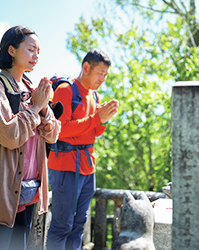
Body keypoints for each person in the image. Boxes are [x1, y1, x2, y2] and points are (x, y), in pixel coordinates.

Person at [0, 26, 61, 250]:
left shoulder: (31, 88)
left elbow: (53, 135)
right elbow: (9, 135)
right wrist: (37, 106)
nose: (36, 55)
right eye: (30, 49)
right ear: (11, 50)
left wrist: (45, 111)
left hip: (27, 196)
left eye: (39, 50)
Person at [47, 48, 119, 250]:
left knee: (79, 225)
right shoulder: (66, 90)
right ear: (86, 67)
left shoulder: (94, 96)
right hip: (65, 167)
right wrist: (97, 118)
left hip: (87, 167)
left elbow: (93, 133)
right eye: (100, 73)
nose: (103, 79)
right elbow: (61, 130)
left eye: (106, 75)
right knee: (62, 226)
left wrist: (103, 120)